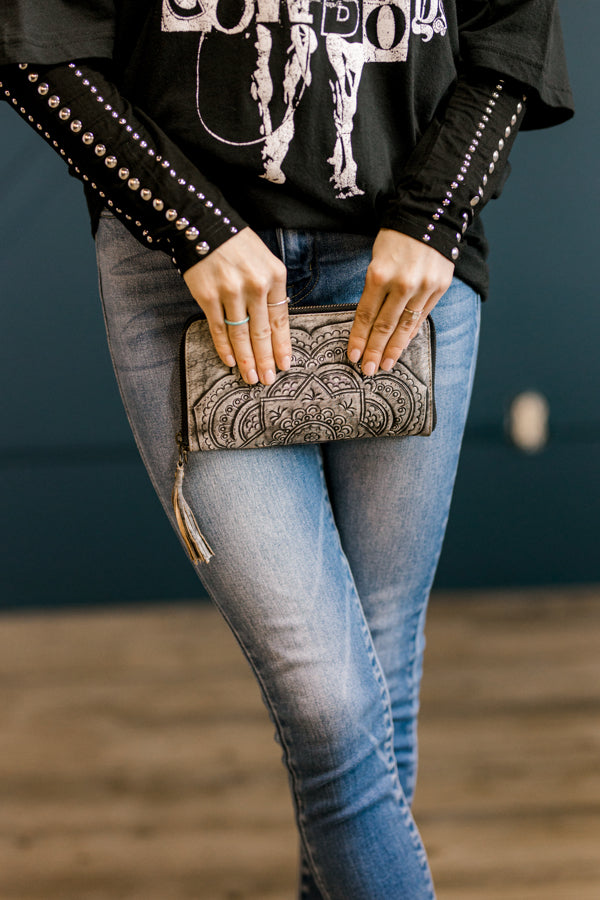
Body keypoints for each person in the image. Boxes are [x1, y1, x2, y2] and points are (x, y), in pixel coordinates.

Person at [0, 2, 573, 896]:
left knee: (377, 678)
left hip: (403, 261)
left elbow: (512, 29)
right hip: (189, 279)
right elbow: (35, 40)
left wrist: (438, 213)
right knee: (332, 706)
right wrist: (191, 222)